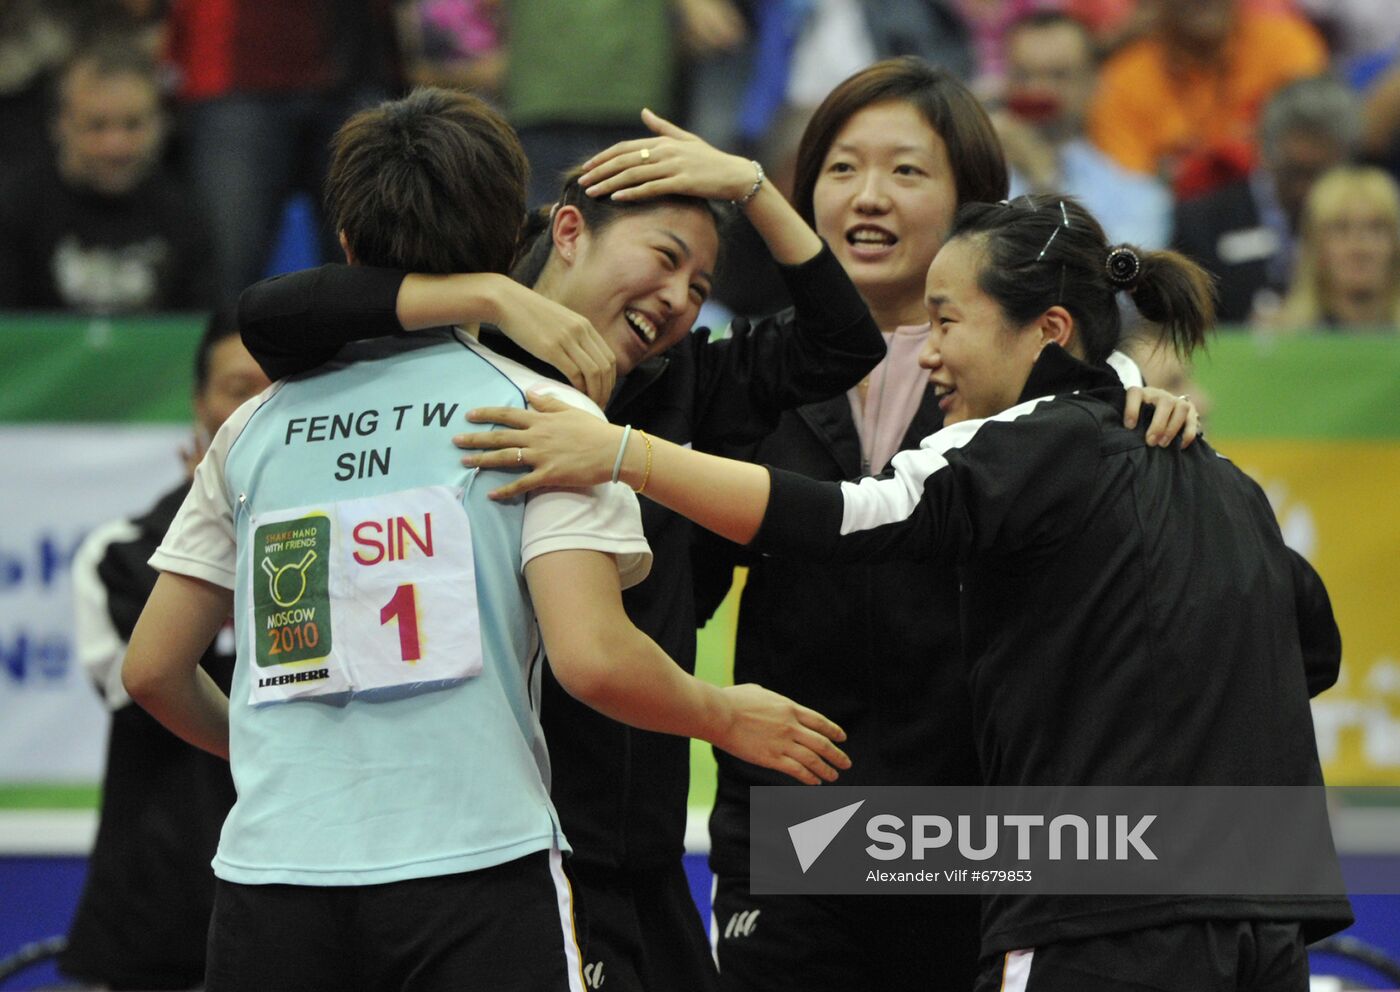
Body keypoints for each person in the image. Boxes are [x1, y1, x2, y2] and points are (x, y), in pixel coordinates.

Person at [236, 68, 1193, 992]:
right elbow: (271, 317)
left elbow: (847, 346)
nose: (681, 299)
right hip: (535, 835)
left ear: (972, 210)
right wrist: (488, 297)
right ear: (566, 232)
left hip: (886, 813)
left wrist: (749, 186)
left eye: (702, 284)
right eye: (843, 168)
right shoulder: (459, 373)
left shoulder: (698, 380)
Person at [455, 193, 1352, 990]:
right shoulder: (1218, 476)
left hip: (1100, 903)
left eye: (948, 322)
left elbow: (849, 516)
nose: (926, 354)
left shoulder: (1026, 441)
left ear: (1046, 331)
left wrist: (623, 454)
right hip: (1268, 905)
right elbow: (1312, 647)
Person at [120, 87, 848, 992]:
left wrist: (276, 755)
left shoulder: (254, 427)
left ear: (346, 243)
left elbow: (151, 670)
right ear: (522, 237)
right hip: (473, 871)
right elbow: (592, 658)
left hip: (271, 880)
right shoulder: (542, 413)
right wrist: (725, 714)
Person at [60, 309, 269, 990]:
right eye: (239, 387)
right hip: (160, 911)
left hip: (298, 889)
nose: (257, 407)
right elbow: (142, 685)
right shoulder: (118, 553)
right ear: (198, 405)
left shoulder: (343, 542)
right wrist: (207, 508)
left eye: (277, 386)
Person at [0, 37, 213, 313]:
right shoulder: (16, 210)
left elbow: (206, 333)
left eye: (133, 124)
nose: (116, 146)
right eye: (97, 126)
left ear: (162, 124)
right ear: (60, 124)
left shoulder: (185, 214)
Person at [1088, 0, 1327, 199]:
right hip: (1175, 225)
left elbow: (1313, 145)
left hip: (1278, 205)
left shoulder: (1285, 44)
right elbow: (1130, 190)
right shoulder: (1125, 78)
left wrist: (1186, 168)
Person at [1173, 75, 1361, 324]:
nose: (1306, 190)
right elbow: (1178, 327)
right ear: (1264, 152)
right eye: (1294, 172)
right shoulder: (1202, 223)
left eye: (1321, 176)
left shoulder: (1376, 225)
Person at [994, 10, 1171, 249]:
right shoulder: (977, 175)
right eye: (1023, 76)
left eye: (1059, 76)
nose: (1038, 91)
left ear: (1094, 82)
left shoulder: (1137, 193)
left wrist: (1045, 182)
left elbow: (1112, 279)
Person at [1268, 164, 1400, 331]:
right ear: (1316, 246)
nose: (1360, 248)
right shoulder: (1281, 339)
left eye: (1376, 228)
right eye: (1341, 229)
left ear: (1395, 245)